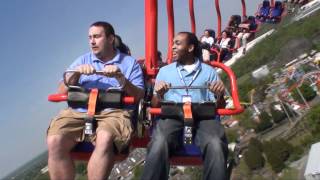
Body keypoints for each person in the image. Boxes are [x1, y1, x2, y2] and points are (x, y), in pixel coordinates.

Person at [46, 21, 145, 180]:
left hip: (113, 112)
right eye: (90, 37)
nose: (92, 41)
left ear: (111, 38)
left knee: (105, 138)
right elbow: (61, 91)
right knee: (54, 140)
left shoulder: (129, 63)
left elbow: (139, 95)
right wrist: (76, 74)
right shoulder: (82, 60)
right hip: (79, 112)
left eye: (97, 36)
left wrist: (121, 80)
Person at [141, 32, 228, 180]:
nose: (173, 47)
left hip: (203, 116)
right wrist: (160, 94)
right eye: (173, 44)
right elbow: (155, 106)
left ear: (190, 48)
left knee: (215, 143)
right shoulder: (165, 71)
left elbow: (220, 105)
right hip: (173, 115)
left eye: (178, 43)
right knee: (159, 141)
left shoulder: (208, 72)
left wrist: (218, 95)